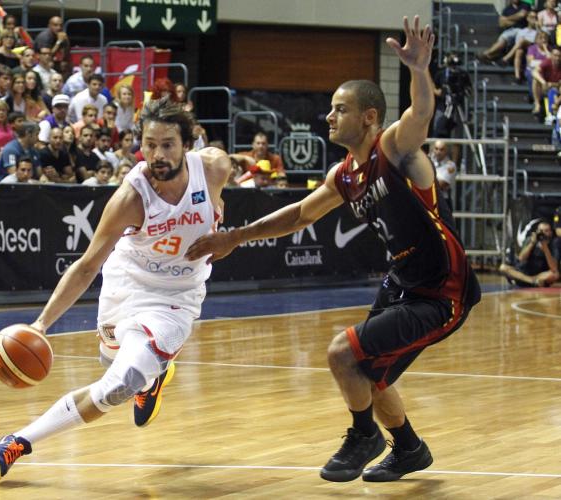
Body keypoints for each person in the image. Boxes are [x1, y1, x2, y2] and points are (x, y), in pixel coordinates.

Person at [186, 16, 481, 483]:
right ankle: (408, 448)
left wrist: (419, 70)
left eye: (339, 108)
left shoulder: (395, 149)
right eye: (330, 108)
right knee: (371, 372)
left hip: (442, 291)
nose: (328, 116)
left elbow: (419, 114)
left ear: (368, 117)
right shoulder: (344, 175)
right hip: (402, 280)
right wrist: (234, 236)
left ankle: (364, 435)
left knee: (344, 354)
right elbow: (300, 215)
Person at [0, 96, 230, 481]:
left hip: (176, 298)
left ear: (187, 143)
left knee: (118, 384)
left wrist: (217, 232)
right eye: (149, 145)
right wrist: (41, 325)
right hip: (126, 284)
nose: (157, 154)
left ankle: (16, 442)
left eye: (167, 144)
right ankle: (154, 375)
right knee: (112, 364)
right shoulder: (132, 196)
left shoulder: (214, 167)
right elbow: (86, 266)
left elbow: (216, 206)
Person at [499, 220, 560, 286]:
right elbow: (521, 258)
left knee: (555, 274)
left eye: (546, 231)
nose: (543, 233)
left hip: (540, 275)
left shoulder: (554, 243)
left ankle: (527, 280)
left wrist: (545, 248)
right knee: (503, 267)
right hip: (525, 272)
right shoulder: (530, 240)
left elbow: (554, 268)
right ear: (537, 231)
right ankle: (532, 282)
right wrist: (532, 243)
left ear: (551, 232)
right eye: (541, 231)